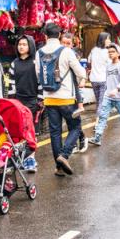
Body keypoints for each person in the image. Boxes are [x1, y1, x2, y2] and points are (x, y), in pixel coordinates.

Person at [37, 23, 85, 177]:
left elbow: (38, 74)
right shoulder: (66, 51)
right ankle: (64, 156)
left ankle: (58, 168)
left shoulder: (39, 53)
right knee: (76, 127)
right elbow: (81, 72)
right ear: (59, 35)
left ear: (45, 35)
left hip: (49, 99)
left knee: (55, 133)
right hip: (66, 99)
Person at [89, 44, 120, 146]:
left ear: (118, 53)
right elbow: (107, 80)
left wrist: (116, 89)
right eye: (109, 52)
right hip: (108, 96)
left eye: (113, 52)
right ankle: (97, 138)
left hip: (119, 97)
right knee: (102, 116)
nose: (110, 54)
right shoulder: (108, 66)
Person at [8, 35, 41, 172]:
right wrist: (11, 101)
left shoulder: (36, 62)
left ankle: (31, 159)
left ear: (30, 46)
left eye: (24, 44)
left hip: (33, 101)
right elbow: (11, 84)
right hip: (18, 102)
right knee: (19, 131)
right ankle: (22, 158)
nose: (21, 46)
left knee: (32, 132)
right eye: (19, 44)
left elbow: (40, 82)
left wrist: (40, 100)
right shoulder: (14, 63)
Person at [60, 32, 88, 154]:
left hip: (74, 93)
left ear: (72, 44)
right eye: (63, 43)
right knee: (70, 121)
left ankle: (82, 138)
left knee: (73, 120)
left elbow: (82, 73)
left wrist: (80, 101)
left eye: (68, 43)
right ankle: (75, 142)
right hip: (63, 93)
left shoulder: (73, 55)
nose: (66, 45)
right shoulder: (58, 54)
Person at [87, 32, 111, 110]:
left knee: (99, 101)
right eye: (108, 39)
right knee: (101, 102)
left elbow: (88, 61)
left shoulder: (93, 50)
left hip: (93, 79)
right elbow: (110, 65)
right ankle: (100, 119)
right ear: (103, 40)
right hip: (103, 79)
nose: (109, 41)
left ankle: (99, 118)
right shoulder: (107, 52)